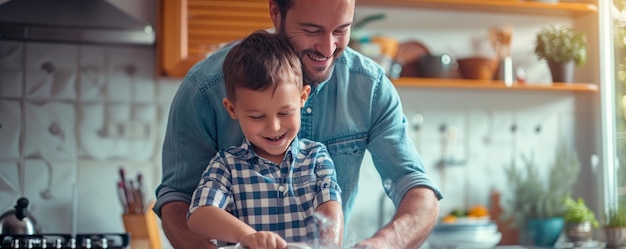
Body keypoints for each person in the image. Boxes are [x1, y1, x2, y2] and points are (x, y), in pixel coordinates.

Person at [155, 0, 443, 248]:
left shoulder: (370, 87)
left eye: (342, 30)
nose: (328, 47)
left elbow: (416, 188)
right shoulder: (205, 89)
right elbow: (180, 202)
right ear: (275, 11)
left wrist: (382, 244)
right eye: (312, 30)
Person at [186, 30, 343, 249]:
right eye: (257, 116)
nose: (274, 126)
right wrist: (248, 236)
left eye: (285, 113)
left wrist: (331, 245)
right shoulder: (227, 165)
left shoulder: (316, 157)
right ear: (232, 109)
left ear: (302, 98)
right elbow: (199, 216)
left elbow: (330, 209)